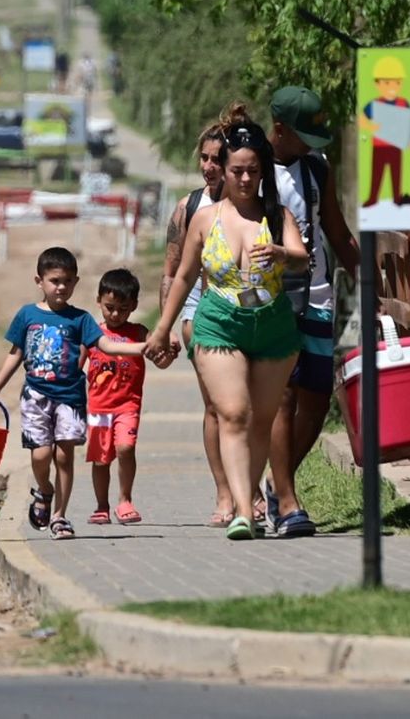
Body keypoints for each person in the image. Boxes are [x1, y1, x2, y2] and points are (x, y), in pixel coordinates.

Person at [146, 105, 308, 540]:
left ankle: (250, 497)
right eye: (236, 170)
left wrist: (281, 254)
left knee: (261, 419)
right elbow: (182, 275)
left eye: (252, 170)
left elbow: (302, 257)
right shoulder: (205, 217)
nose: (242, 178)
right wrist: (162, 327)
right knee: (233, 413)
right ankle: (242, 510)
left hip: (271, 324)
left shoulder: (277, 217)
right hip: (218, 322)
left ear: (262, 172)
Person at [0, 247, 164, 541]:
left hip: (70, 398)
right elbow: (15, 354)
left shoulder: (81, 319)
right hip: (36, 397)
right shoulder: (27, 315)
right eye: (54, 281)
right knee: (40, 456)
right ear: (39, 281)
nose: (60, 287)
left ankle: (60, 517)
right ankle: (45, 490)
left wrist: (142, 347)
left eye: (66, 281)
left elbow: (107, 346)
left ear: (76, 282)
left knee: (64, 457)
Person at [263, 86, 359, 539]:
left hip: (316, 295)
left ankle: (278, 482)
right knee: (283, 398)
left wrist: (368, 280)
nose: (311, 146)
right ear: (279, 130)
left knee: (318, 400)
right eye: (303, 136)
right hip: (270, 300)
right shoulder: (251, 169)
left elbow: (336, 230)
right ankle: (287, 503)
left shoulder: (316, 168)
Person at [161, 122, 234, 526]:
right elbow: (171, 271)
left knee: (243, 408)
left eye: (217, 159)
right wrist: (166, 328)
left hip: (240, 302)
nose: (208, 167)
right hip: (196, 306)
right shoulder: (188, 208)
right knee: (216, 405)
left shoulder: (252, 204)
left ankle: (249, 490)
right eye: (203, 158)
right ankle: (225, 493)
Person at [84, 269, 149, 526]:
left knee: (125, 447)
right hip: (98, 409)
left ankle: (125, 500)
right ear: (98, 301)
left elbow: (156, 341)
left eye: (123, 309)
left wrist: (171, 338)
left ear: (133, 306)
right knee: (101, 460)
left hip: (127, 405)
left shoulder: (138, 332)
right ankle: (102, 506)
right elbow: (76, 368)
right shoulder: (92, 334)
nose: (115, 314)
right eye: (109, 307)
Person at [359, 55, 410, 207]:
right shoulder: (375, 104)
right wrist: (372, 127)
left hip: (396, 145)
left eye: (396, 83)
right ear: (378, 84)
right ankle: (373, 197)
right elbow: (361, 119)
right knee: (377, 173)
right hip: (379, 146)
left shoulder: (403, 103)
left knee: (396, 173)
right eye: (386, 83)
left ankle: (397, 197)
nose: (392, 87)